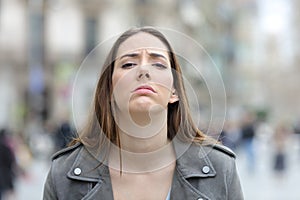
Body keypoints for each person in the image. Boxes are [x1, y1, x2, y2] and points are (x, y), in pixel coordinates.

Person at [43, 27, 243, 200]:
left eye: (158, 64)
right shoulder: (63, 175)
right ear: (110, 90)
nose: (143, 71)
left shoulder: (221, 169)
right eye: (128, 64)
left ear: (174, 91)